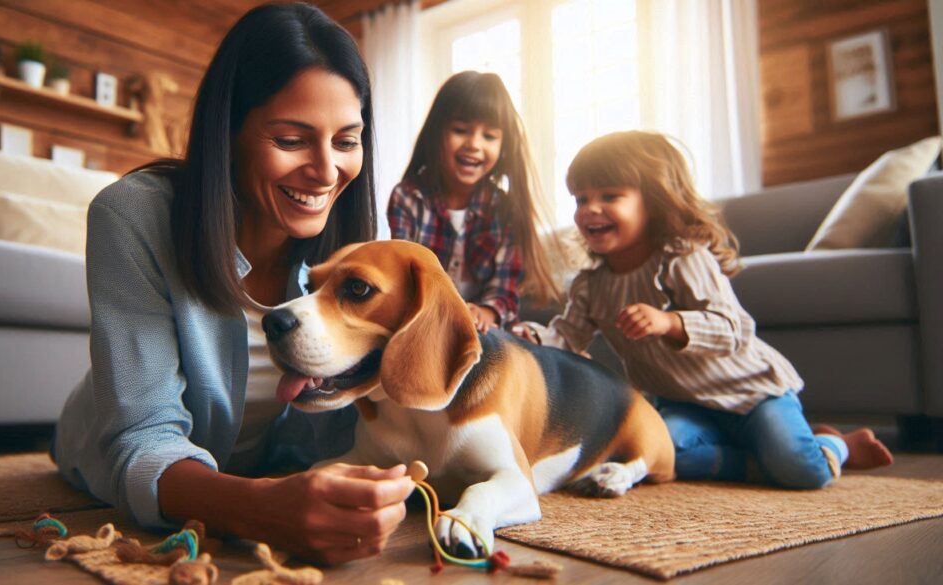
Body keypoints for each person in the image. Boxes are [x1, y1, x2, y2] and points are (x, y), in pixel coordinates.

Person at [51, 3, 414, 565]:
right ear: (230, 134)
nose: (325, 171)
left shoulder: (363, 251)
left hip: (270, 466)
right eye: (292, 140)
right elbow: (142, 438)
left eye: (347, 141)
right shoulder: (131, 216)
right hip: (112, 455)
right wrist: (259, 506)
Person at [514, 130, 892, 488]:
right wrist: (534, 338)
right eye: (581, 199)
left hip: (751, 394)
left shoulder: (682, 257)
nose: (590, 209)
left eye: (609, 196)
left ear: (654, 201)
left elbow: (735, 329)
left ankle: (835, 445)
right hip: (685, 405)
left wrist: (670, 321)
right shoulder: (589, 285)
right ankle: (762, 460)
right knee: (662, 456)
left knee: (803, 470)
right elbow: (567, 337)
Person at [388, 71, 558, 332]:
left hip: (486, 331)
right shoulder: (409, 198)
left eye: (489, 136)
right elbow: (404, 277)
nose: (474, 144)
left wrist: (486, 312)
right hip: (425, 321)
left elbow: (504, 288)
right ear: (437, 133)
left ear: (504, 145)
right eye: (460, 130)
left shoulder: (506, 210)